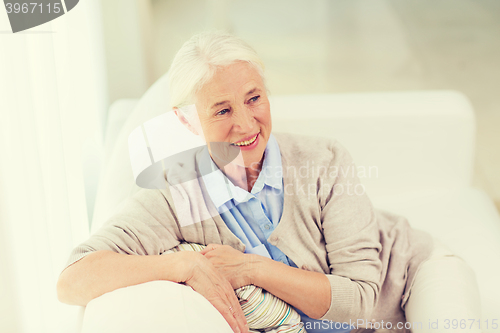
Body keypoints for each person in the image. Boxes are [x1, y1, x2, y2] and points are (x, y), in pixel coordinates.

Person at [57, 32, 481, 333]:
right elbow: (73, 280)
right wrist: (182, 264)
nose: (246, 123)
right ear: (188, 124)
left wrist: (248, 268)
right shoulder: (175, 194)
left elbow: (361, 302)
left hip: (410, 275)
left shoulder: (324, 160)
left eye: (254, 98)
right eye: (221, 110)